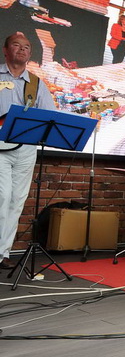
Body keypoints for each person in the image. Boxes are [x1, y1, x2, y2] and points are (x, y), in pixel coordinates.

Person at [0, 33, 56, 269]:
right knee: (2, 196)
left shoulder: (35, 83)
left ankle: (3, 253)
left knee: (17, 201)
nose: (22, 49)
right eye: (16, 45)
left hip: (26, 148)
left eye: (26, 47)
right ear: (6, 50)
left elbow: (50, 115)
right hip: (0, 147)